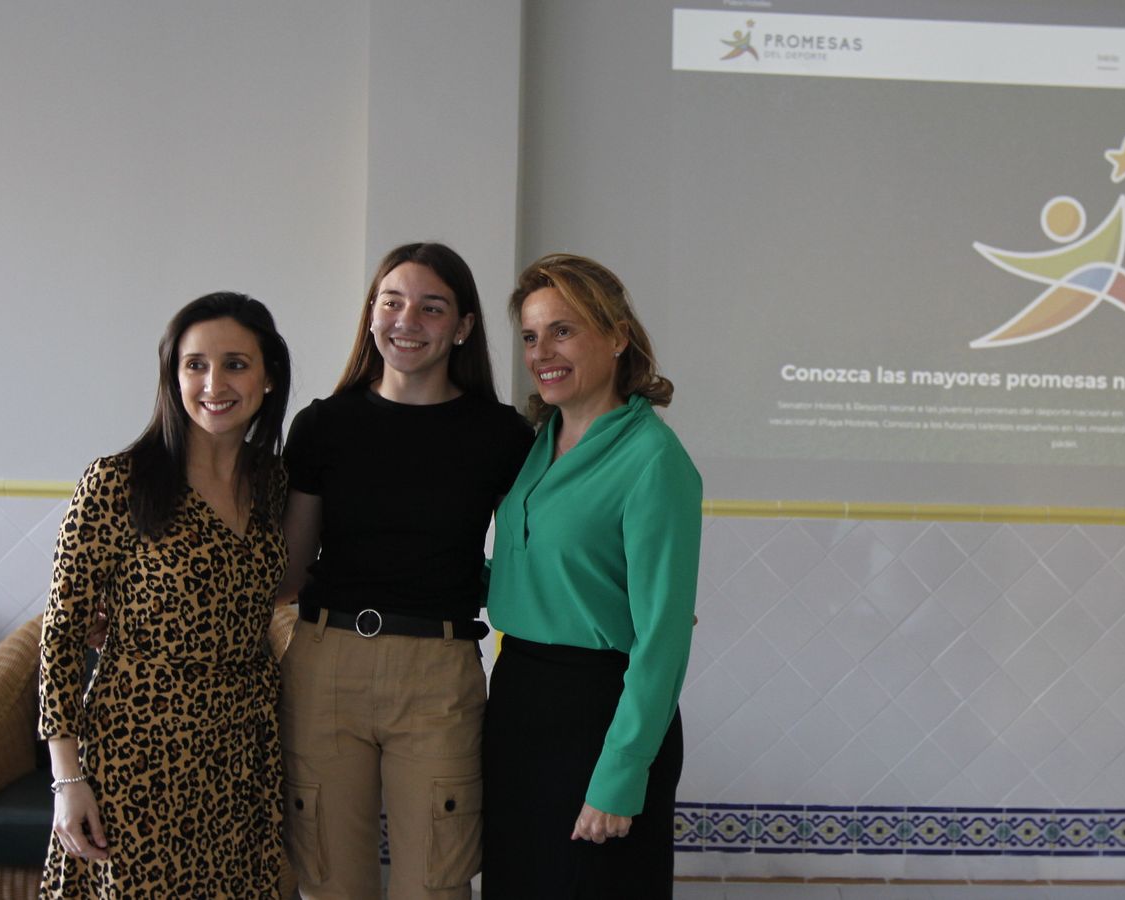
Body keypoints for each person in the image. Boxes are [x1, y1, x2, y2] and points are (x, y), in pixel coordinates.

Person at [276, 242, 534, 900]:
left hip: (439, 672)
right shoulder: (322, 425)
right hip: (326, 662)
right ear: (370, 316)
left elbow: (532, 556)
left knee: (436, 884)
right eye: (391, 302)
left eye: (431, 307)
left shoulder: (501, 435)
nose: (407, 320)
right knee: (332, 881)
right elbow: (289, 570)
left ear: (463, 327)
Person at [38, 293, 292, 897]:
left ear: (267, 376)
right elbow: (62, 634)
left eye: (235, 363)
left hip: (241, 750)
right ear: (172, 374)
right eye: (195, 364)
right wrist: (67, 779)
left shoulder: (273, 482)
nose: (214, 383)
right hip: (136, 749)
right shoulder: (117, 481)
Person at [482, 253, 701, 898]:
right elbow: (540, 574)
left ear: (617, 335)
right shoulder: (540, 441)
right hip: (520, 699)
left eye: (563, 330)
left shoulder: (653, 460)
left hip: (599, 715)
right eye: (529, 336)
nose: (541, 351)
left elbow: (663, 636)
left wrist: (620, 774)